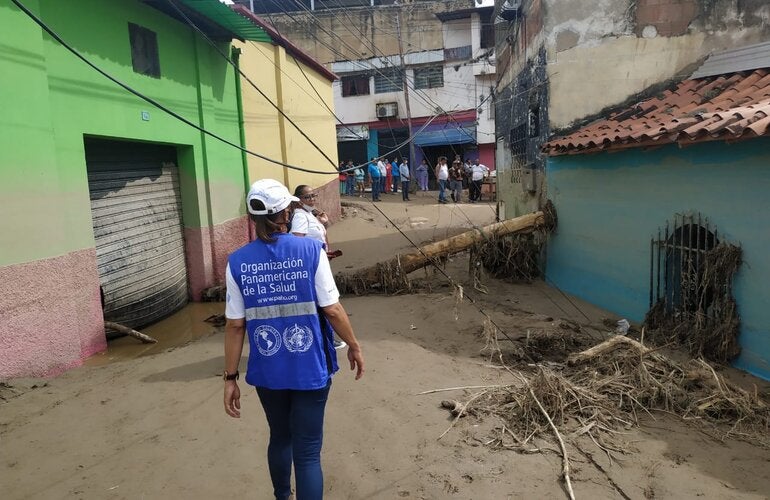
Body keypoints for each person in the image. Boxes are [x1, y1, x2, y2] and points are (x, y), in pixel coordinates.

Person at [223, 179, 364, 500]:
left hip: (268, 373)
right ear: (286, 211)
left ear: (252, 217)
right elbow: (333, 310)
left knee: (280, 437)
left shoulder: (237, 263)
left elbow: (234, 326)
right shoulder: (311, 250)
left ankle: (282, 496)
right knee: (308, 451)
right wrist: (354, 345)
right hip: (309, 368)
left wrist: (230, 378)